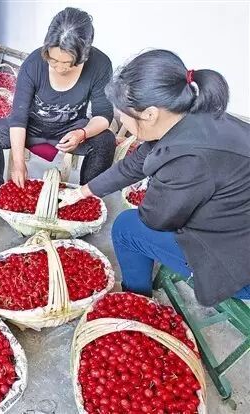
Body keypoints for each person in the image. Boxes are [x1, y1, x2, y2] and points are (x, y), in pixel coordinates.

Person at [60, 49, 250, 307]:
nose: (121, 119)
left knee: (127, 227)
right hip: (236, 226)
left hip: (237, 264)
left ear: (149, 114)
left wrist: (158, 188)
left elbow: (156, 219)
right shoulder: (193, 113)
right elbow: (134, 164)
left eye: (123, 113)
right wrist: (84, 191)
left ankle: (136, 301)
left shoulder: (186, 160)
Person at [0, 7, 116, 214]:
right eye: (53, 60)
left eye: (67, 63)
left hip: (71, 130)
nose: (59, 67)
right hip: (32, 128)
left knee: (105, 141)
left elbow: (104, 115)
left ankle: (85, 200)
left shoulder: (100, 65)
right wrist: (18, 162)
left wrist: (82, 133)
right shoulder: (33, 64)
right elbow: (18, 117)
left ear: (84, 55)